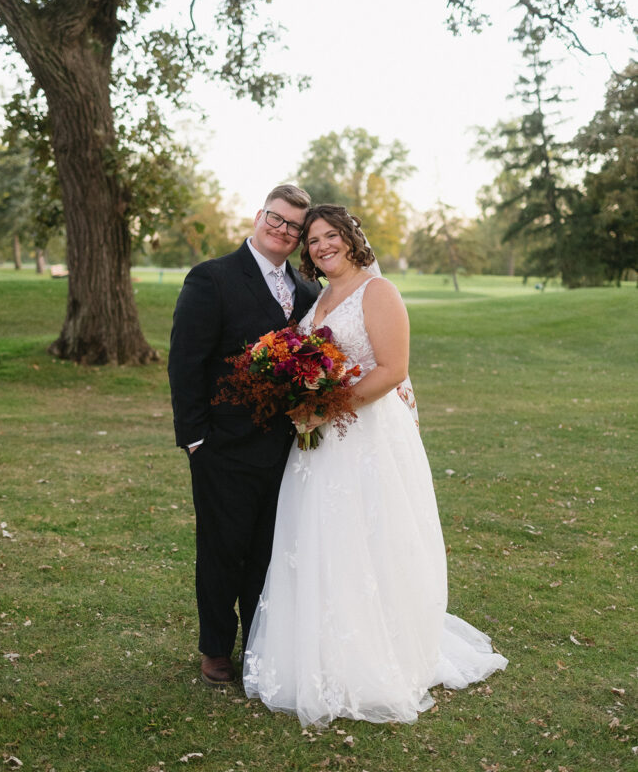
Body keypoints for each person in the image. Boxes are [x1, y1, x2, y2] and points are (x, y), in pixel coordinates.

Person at [243, 204, 508, 726]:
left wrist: (326, 406)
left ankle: (373, 656)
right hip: (318, 443)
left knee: (367, 539)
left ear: (350, 237)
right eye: (312, 241)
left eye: (329, 236)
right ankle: (318, 653)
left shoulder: (378, 292)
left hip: (365, 437)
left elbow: (392, 369)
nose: (321, 246)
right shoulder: (319, 298)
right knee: (321, 539)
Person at [168, 185, 321, 687]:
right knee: (221, 549)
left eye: (293, 227)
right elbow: (185, 362)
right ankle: (215, 648)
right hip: (223, 447)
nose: (282, 231)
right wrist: (195, 439)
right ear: (259, 217)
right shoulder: (213, 278)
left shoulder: (307, 292)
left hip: (286, 449)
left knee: (268, 552)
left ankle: (259, 642)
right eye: (276, 219)